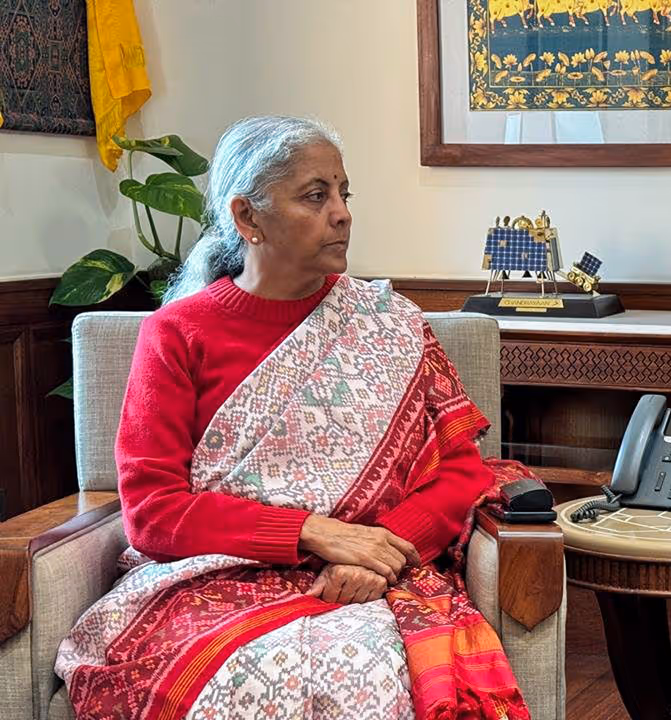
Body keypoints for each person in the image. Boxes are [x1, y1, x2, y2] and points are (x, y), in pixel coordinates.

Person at [55, 116, 530, 720]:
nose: (342, 213)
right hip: (213, 582)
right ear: (248, 218)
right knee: (233, 681)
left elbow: (463, 471)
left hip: (373, 581)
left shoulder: (391, 322)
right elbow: (153, 512)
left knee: (365, 675)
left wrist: (380, 553)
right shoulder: (176, 334)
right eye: (316, 196)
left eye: (343, 193)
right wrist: (313, 532)